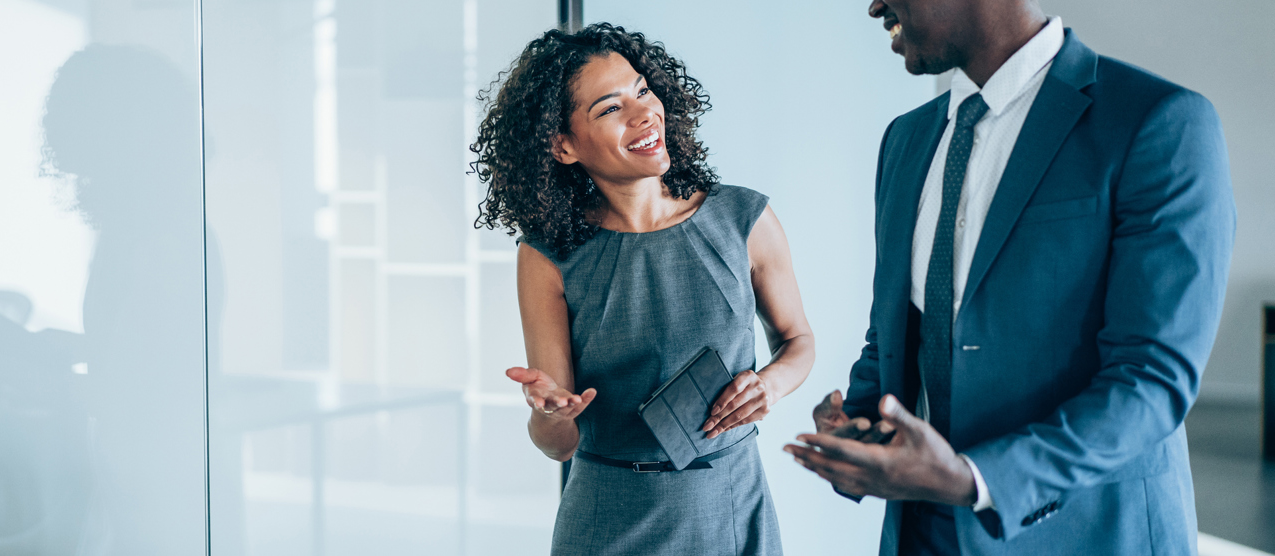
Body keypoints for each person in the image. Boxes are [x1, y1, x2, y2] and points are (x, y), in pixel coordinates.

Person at [784, 1, 1234, 555]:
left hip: (1086, 536)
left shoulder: (1157, 121)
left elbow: (1151, 380)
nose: (874, 4)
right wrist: (857, 421)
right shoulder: (906, 140)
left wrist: (973, 479)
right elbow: (897, 336)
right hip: (922, 536)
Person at [472, 23, 815, 555]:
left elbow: (798, 342)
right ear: (562, 145)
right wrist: (548, 413)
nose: (643, 114)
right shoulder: (546, 255)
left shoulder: (743, 218)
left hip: (730, 504)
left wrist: (768, 385)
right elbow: (558, 445)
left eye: (643, 91)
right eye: (610, 109)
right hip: (607, 517)